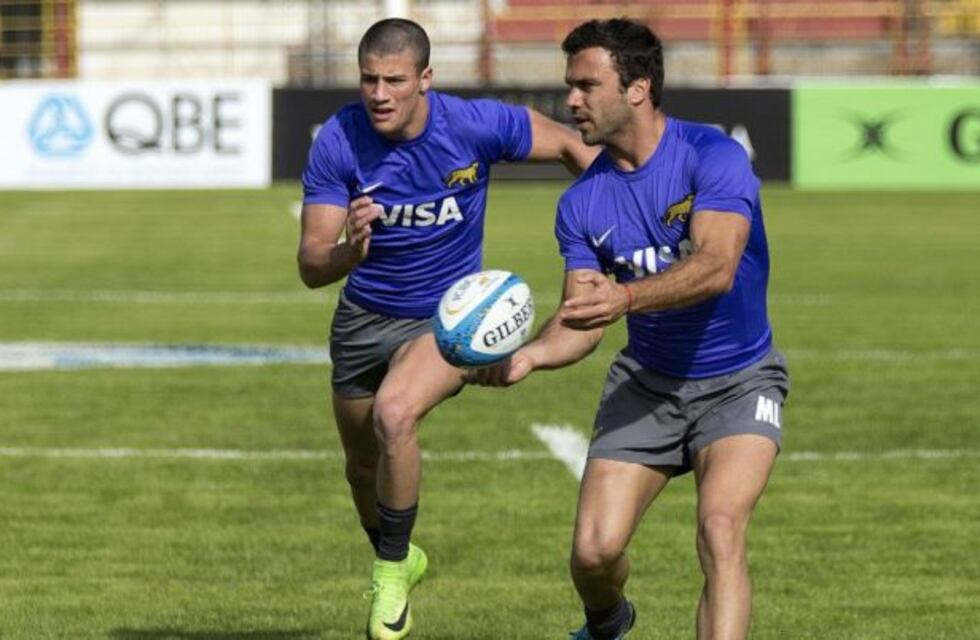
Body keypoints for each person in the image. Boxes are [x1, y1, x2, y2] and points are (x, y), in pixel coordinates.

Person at [470, 18, 790, 640]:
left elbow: (717, 266)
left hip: (740, 381)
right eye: (570, 86)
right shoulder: (581, 204)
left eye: (587, 85)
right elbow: (581, 319)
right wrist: (531, 357)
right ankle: (609, 621)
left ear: (638, 88)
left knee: (720, 528)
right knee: (593, 555)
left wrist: (624, 298)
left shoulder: (712, 156)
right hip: (646, 385)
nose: (571, 101)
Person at [296, 18, 597, 640]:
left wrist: (618, 214)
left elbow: (573, 146)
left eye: (394, 81)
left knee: (395, 413)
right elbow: (310, 265)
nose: (379, 94)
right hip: (362, 318)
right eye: (368, 80)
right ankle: (401, 554)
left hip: (445, 318)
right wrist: (350, 252)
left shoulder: (473, 125)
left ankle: (386, 577)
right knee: (360, 468)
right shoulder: (340, 140)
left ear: (425, 79)